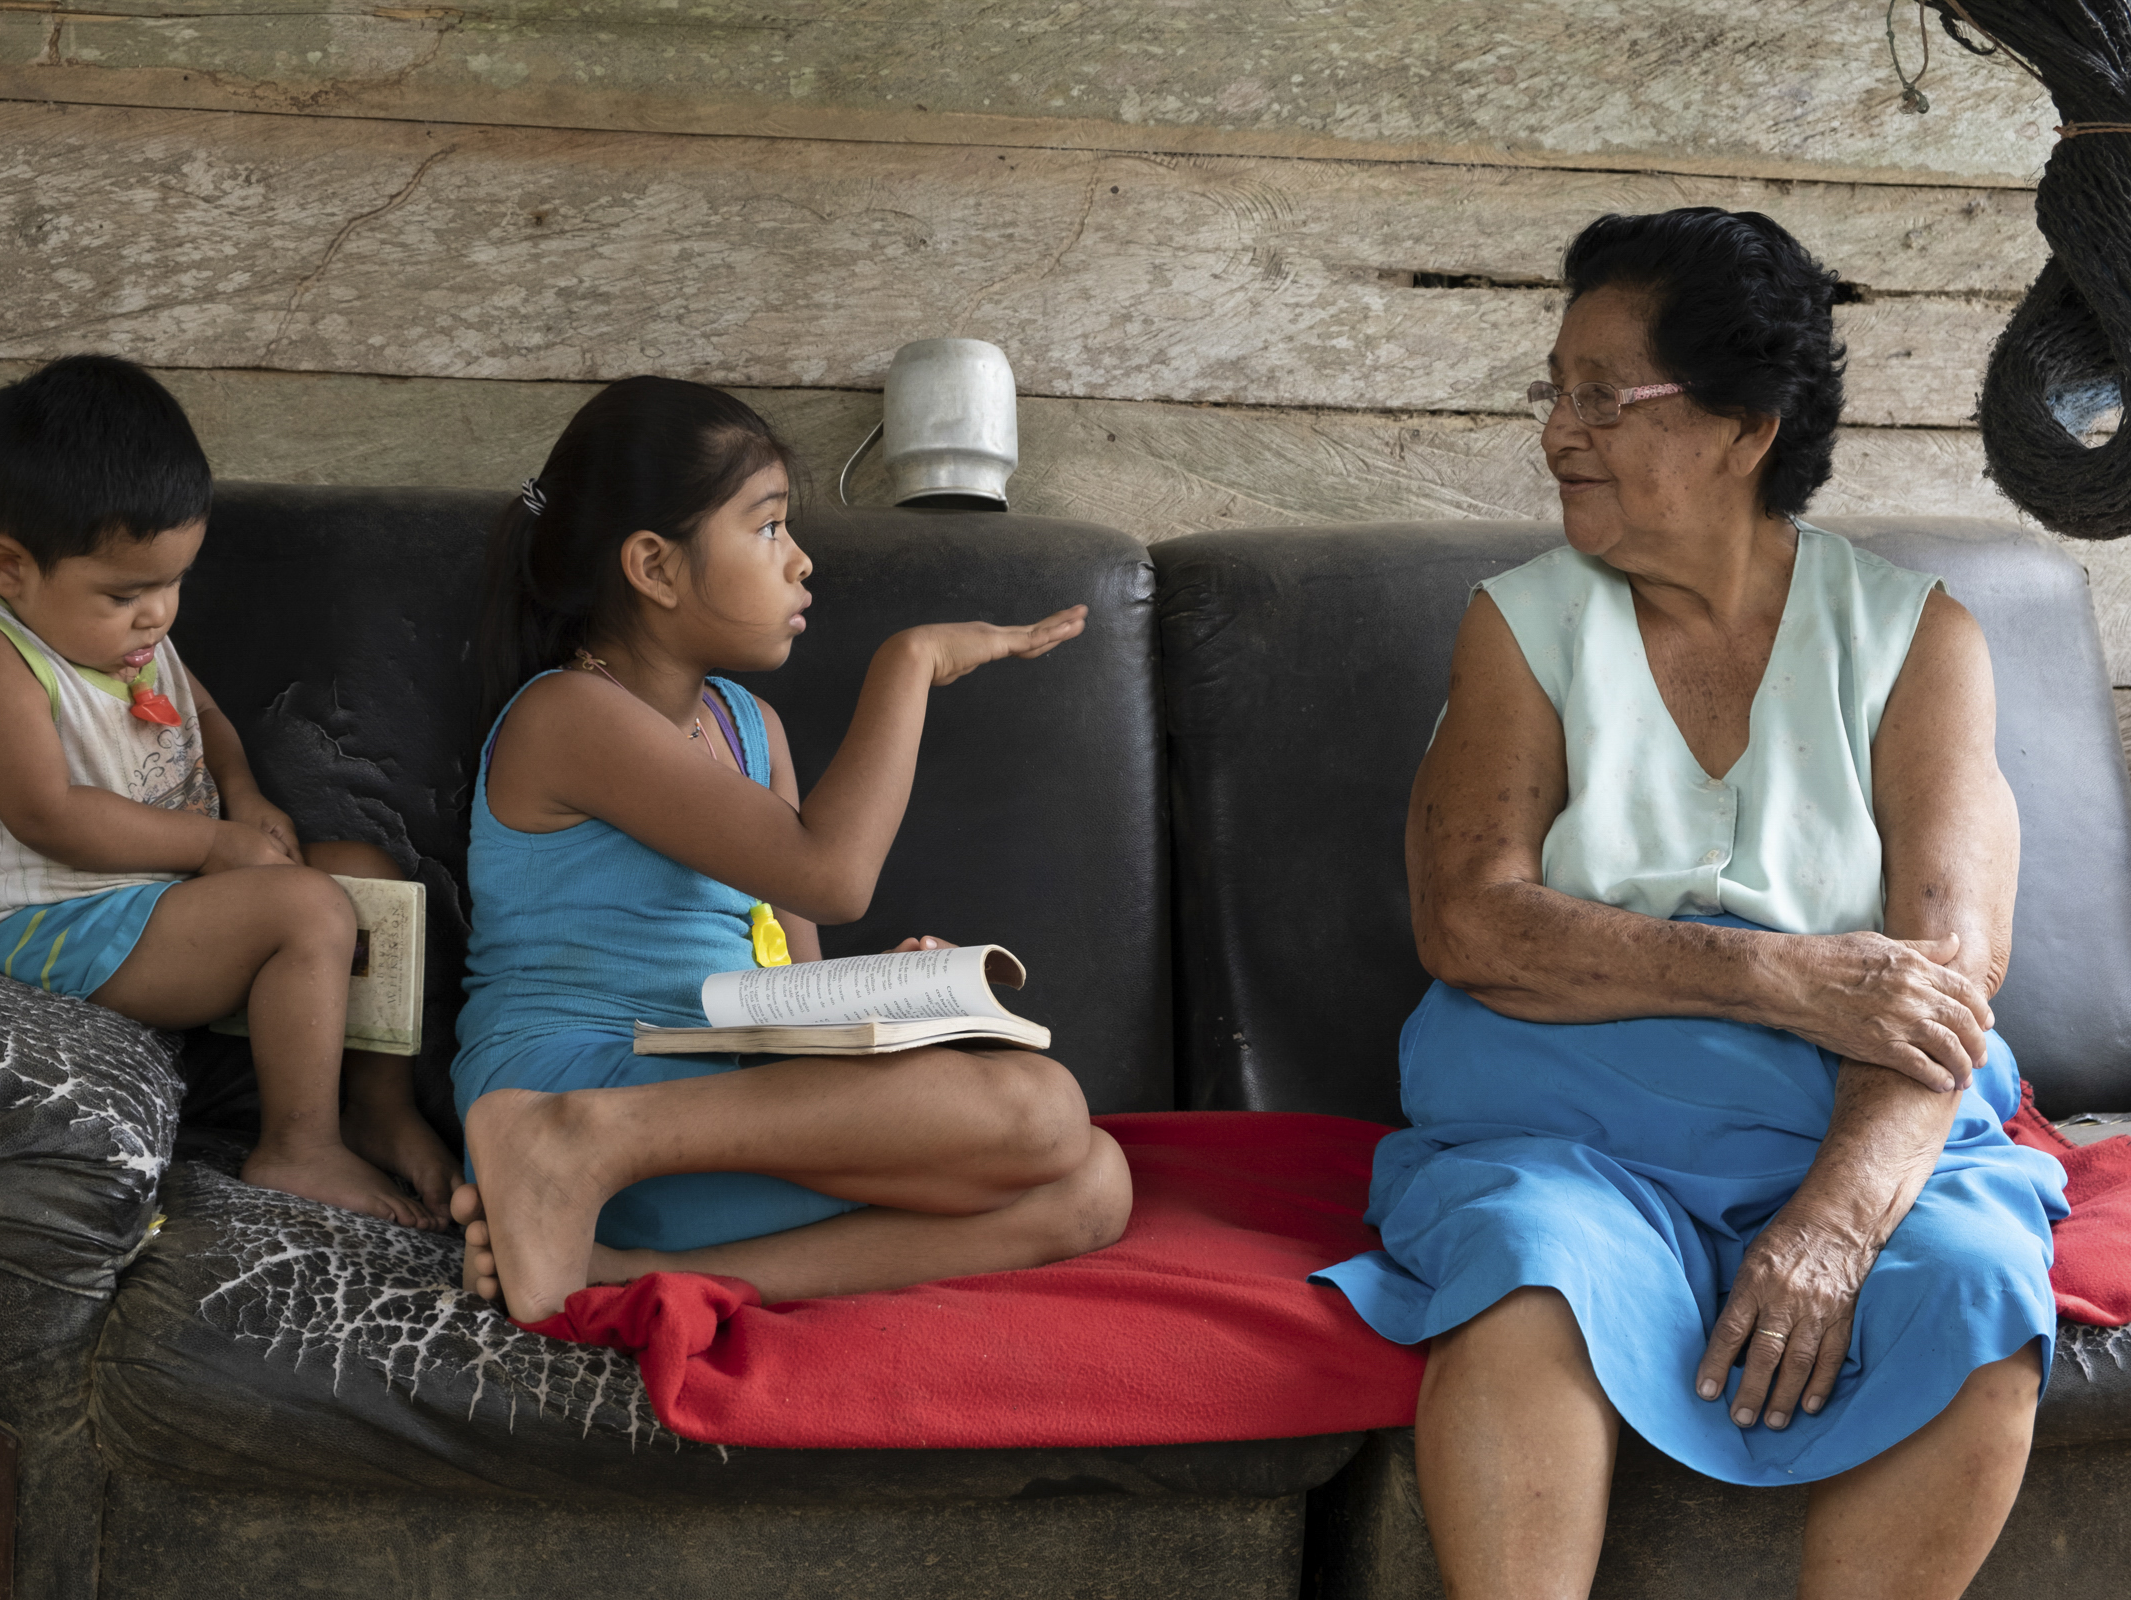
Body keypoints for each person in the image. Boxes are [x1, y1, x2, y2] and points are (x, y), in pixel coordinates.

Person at [1313, 209, 2069, 1599]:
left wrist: (1834, 1225)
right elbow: (1470, 923)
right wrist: (1775, 977)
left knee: (1973, 1287)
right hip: (1570, 1125)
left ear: (1744, 425)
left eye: (1606, 396)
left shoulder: (1918, 639)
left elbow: (1945, 984)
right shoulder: (1524, 625)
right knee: (1530, 1260)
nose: (1558, 431)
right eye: (1554, 390)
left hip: (1861, 1125)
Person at [448, 376, 1132, 1323]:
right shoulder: (569, 716)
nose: (801, 561)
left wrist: (892, 1005)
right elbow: (834, 876)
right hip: (570, 1073)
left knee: (1094, 1183)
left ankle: (625, 1266)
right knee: (1041, 1114)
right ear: (654, 566)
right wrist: (911, 664)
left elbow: (788, 997)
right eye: (768, 527)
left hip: (707, 1099)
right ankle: (574, 1144)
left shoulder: (748, 726)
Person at [0, 354, 462, 1229]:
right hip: (68, 922)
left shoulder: (127, 636)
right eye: (128, 592)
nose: (159, 614)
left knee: (372, 878)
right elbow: (48, 814)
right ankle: (297, 1146)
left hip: (167, 891)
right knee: (308, 910)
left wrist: (244, 796)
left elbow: (207, 714)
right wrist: (216, 845)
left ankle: (379, 1103)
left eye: (176, 581)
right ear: (9, 568)